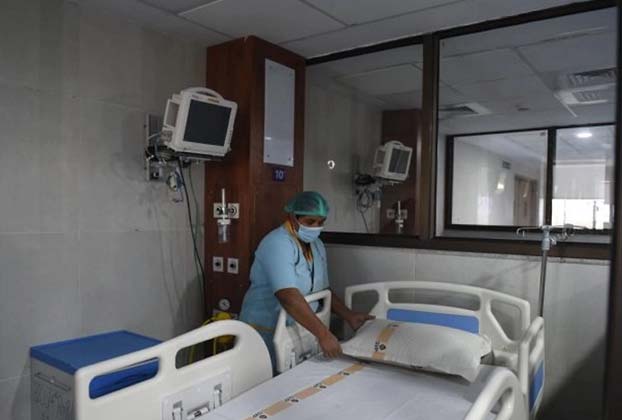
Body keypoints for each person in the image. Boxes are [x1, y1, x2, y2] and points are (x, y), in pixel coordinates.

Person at [239, 191, 373, 371]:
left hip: (299, 327)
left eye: (321, 222)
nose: (316, 228)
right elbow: (288, 296)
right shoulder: (277, 243)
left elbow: (323, 290)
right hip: (266, 329)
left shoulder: (317, 245)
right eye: (310, 222)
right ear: (292, 217)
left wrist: (349, 315)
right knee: (265, 381)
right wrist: (323, 334)